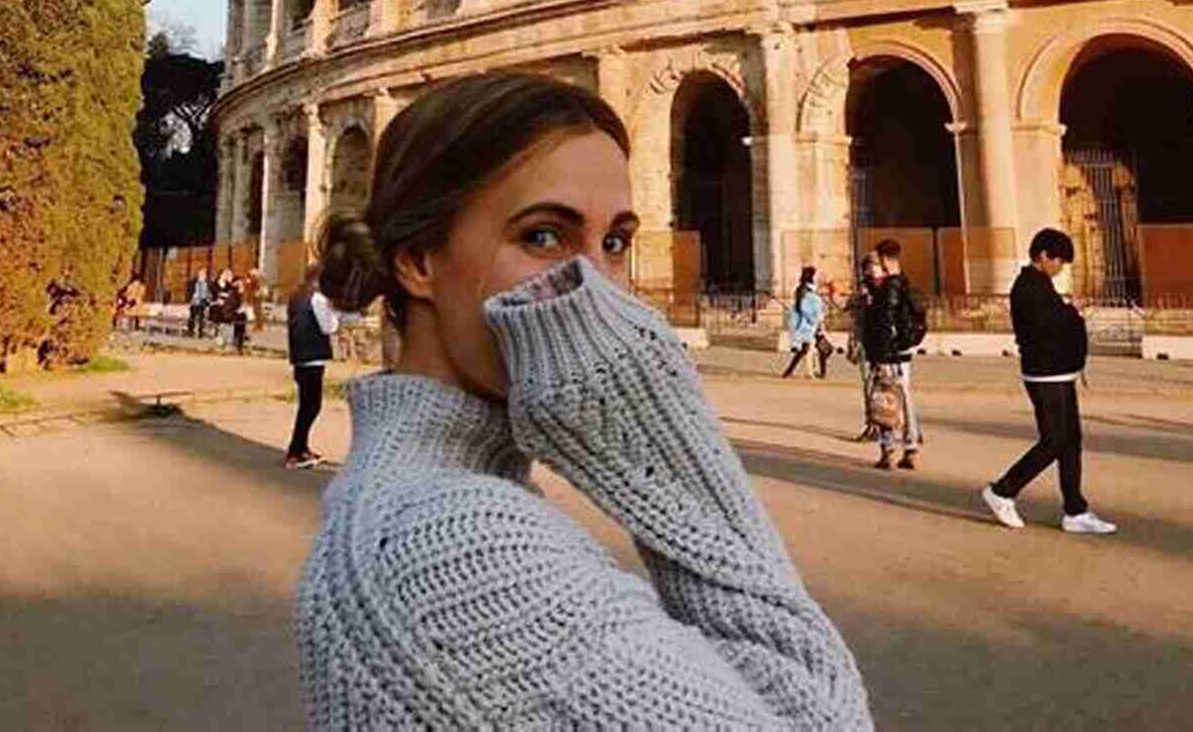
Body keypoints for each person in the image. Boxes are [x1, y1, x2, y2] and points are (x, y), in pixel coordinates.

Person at [297, 71, 871, 731]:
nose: (598, 291)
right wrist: (660, 428)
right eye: (543, 235)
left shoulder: (412, 499)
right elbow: (819, 717)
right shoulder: (453, 544)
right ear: (418, 260)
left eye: (616, 242)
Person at [982, 228, 1116, 535]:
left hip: (1057, 372)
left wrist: (1069, 315)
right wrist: (1073, 313)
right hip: (1044, 374)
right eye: (1058, 261)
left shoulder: (1040, 284)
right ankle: (1002, 490)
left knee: (1070, 441)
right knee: (1053, 440)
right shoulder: (1029, 287)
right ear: (1043, 256)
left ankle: (1075, 510)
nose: (1060, 268)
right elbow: (1049, 327)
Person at [861, 239, 923, 470]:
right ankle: (911, 447)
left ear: (886, 261)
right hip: (903, 351)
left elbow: (884, 322)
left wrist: (879, 356)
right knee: (904, 398)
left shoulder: (889, 289)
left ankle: (887, 449)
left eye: (875, 262)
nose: (872, 268)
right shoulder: (904, 283)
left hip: (888, 353)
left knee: (885, 398)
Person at [286, 264, 339, 467]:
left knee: (306, 406)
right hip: (313, 357)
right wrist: (334, 312)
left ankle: (302, 448)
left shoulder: (296, 296)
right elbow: (329, 327)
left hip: (299, 356)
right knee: (311, 407)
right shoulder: (318, 298)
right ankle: (295, 451)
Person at [848, 251, 882, 442]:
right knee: (869, 386)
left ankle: (877, 426)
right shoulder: (863, 290)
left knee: (878, 387)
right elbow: (854, 315)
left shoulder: (880, 289)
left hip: (877, 343)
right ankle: (872, 424)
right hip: (864, 342)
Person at [781, 265, 825, 379]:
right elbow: (801, 306)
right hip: (805, 322)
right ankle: (790, 371)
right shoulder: (802, 289)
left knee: (809, 348)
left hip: (811, 321)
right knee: (805, 348)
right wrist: (811, 318)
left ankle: (813, 371)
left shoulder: (809, 288)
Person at [187, 268, 211, 338]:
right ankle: (190, 331)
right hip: (194, 301)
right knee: (192, 317)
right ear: (199, 274)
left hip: (202, 302)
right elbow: (189, 291)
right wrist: (190, 298)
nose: (204, 275)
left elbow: (208, 293)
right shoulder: (194, 282)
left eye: (204, 274)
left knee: (201, 318)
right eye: (202, 273)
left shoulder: (207, 283)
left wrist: (208, 299)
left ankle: (200, 333)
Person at [245, 266, 266, 334]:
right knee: (257, 311)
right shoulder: (256, 278)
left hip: (257, 295)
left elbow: (258, 285)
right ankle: (258, 326)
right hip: (255, 295)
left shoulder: (256, 278)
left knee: (257, 311)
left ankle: (258, 326)